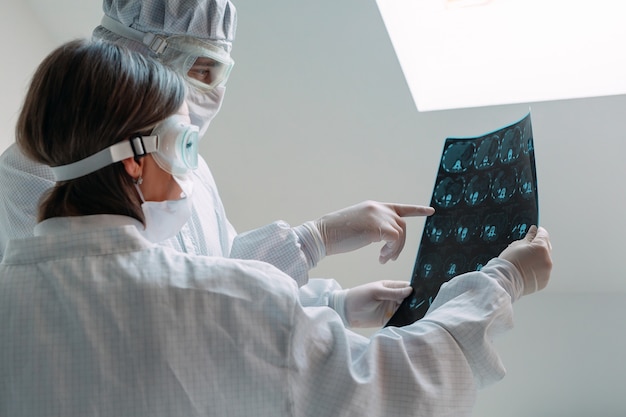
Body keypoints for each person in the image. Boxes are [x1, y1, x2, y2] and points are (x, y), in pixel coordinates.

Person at [0, 39, 552, 417]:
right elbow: (398, 389)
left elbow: (207, 303)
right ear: (133, 160)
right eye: (183, 146)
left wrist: (332, 305)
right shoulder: (217, 301)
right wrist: (501, 282)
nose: (190, 173)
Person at [0, 0, 434, 329]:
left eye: (219, 73)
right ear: (135, 54)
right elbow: (165, 307)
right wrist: (311, 241)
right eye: (201, 70)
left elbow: (223, 267)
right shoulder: (44, 170)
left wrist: (331, 303)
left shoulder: (185, 164)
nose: (215, 94)